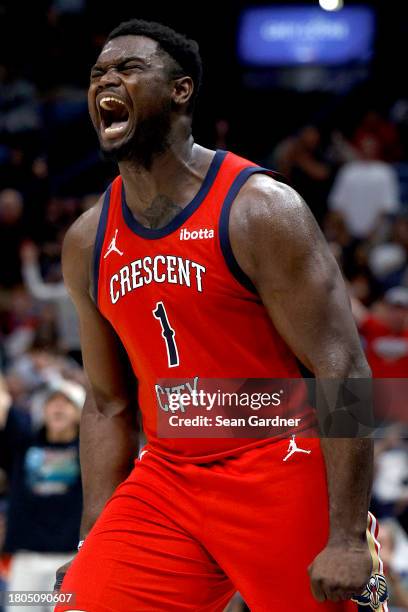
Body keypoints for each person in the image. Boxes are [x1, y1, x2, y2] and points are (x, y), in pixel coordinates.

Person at [54, 19, 383, 611]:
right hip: (171, 476)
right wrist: (90, 538)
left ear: (181, 91)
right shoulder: (87, 240)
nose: (107, 80)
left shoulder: (259, 209)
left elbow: (344, 366)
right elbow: (107, 402)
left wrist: (346, 534)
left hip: (282, 460)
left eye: (128, 69)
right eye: (98, 73)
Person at [0, 376, 83, 612]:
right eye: (52, 402)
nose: (58, 406)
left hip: (71, 561)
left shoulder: (89, 454)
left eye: (66, 402)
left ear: (78, 413)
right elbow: (3, 407)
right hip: (27, 559)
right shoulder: (21, 446)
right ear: (43, 411)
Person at [328, 136, 400, 240]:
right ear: (359, 148)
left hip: (375, 233)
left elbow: (387, 207)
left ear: (377, 149)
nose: (368, 150)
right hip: (346, 233)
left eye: (371, 147)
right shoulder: (348, 171)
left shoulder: (385, 172)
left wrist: (373, 232)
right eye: (365, 146)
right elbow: (337, 204)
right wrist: (345, 231)